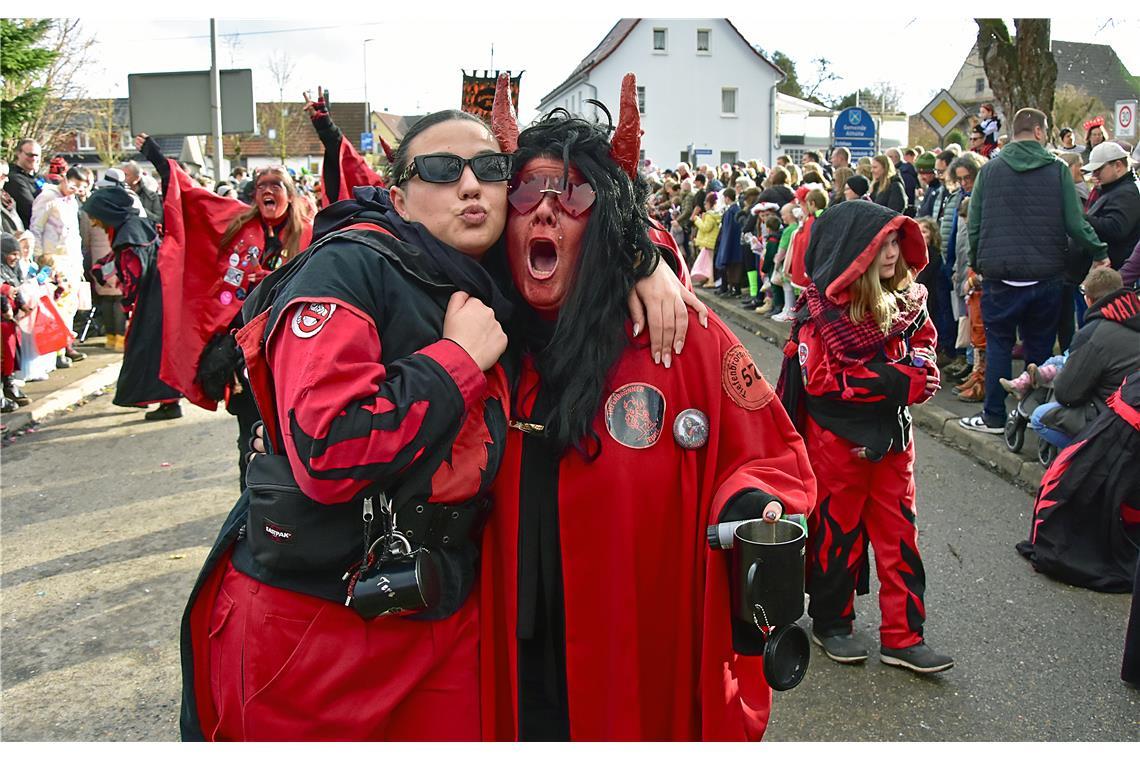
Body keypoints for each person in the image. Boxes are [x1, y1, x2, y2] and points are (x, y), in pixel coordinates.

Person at [179, 76, 704, 741]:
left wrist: (643, 257)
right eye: (440, 168)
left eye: (490, 169)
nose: (469, 183)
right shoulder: (347, 267)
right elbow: (329, 448)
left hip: (441, 615)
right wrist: (457, 358)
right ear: (397, 195)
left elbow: (587, 231)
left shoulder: (485, 280)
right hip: (319, 625)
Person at [479, 87, 816, 741]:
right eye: (525, 192)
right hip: (504, 643)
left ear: (606, 220)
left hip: (627, 643)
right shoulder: (474, 327)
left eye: (573, 194)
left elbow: (767, 452)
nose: (545, 206)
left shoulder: (675, 334)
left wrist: (750, 504)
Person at [777, 199, 954, 675]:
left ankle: (904, 636)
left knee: (901, 538)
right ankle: (833, 623)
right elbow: (822, 380)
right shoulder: (821, 316)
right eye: (882, 243)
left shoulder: (911, 301)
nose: (892, 252)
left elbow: (925, 346)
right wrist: (902, 380)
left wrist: (914, 372)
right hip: (836, 440)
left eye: (897, 241)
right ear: (855, 250)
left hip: (894, 440)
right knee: (838, 537)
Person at [137, 134, 315, 455]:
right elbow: (192, 198)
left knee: (288, 434)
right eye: (261, 186)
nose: (267, 191)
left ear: (290, 195)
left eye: (276, 185)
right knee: (249, 437)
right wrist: (157, 157)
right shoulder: (238, 222)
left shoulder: (310, 234)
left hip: (289, 352)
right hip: (242, 353)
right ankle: (252, 494)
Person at [959, 108, 1109, 435]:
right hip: (1046, 275)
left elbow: (975, 225)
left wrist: (977, 261)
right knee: (1039, 350)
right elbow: (1075, 222)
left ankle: (994, 417)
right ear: (1040, 132)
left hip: (1000, 275)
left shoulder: (990, 170)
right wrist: (1100, 251)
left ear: (1014, 133)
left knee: (998, 345)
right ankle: (1032, 418)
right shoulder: (1057, 170)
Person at [82, 186, 182, 418]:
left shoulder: (129, 233)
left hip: (153, 300)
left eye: (95, 217)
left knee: (151, 350)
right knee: (151, 350)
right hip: (160, 296)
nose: (94, 223)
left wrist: (128, 302)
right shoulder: (134, 226)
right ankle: (149, 397)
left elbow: (133, 272)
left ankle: (167, 403)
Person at [1027, 267, 1140, 449]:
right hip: (1133, 411)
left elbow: (1067, 394)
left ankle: (1087, 458)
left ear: (1088, 299)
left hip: (1115, 418)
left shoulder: (1093, 333)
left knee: (1040, 416)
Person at [29, 166, 89, 366]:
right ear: (65, 179)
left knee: (70, 304)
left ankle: (66, 344)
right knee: (57, 304)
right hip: (53, 257)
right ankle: (57, 351)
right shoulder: (48, 198)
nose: (75, 190)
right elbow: (36, 227)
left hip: (70, 258)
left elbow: (74, 233)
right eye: (74, 185)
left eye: (80, 188)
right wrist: (40, 256)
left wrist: (79, 260)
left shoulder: (72, 202)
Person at [1082, 141, 1140, 270]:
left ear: (1118, 165)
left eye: (1098, 170)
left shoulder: (1127, 193)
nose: (1094, 175)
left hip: (1114, 271)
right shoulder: (1119, 188)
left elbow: (1116, 228)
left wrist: (1082, 218)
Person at [4, 139, 42, 229]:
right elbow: (31, 209)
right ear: (18, 153)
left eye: (37, 155)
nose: (34, 159)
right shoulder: (13, 179)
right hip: (27, 233)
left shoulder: (41, 178)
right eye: (30, 155)